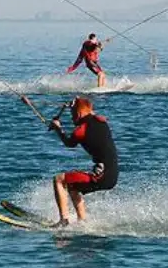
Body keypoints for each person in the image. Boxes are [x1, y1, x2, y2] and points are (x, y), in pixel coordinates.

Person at [47, 96, 118, 226]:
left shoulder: (81, 130)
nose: (73, 119)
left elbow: (69, 143)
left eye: (73, 116)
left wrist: (57, 128)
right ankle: (82, 221)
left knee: (59, 179)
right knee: (72, 186)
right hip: (112, 175)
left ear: (79, 114)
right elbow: (89, 110)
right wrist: (78, 102)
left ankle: (63, 221)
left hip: (102, 176)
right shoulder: (102, 121)